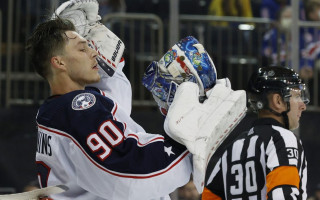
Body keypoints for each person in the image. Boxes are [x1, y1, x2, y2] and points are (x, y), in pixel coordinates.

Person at [26, 12, 192, 200]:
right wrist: (186, 147)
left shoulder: (62, 110)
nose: (94, 52)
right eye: (82, 49)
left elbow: (115, 103)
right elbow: (129, 173)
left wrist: (115, 66)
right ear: (59, 62)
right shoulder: (78, 110)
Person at [202, 66, 309, 199]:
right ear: (278, 101)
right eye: (297, 96)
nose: (303, 105)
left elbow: (209, 196)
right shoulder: (283, 138)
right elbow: (282, 195)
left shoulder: (232, 147)